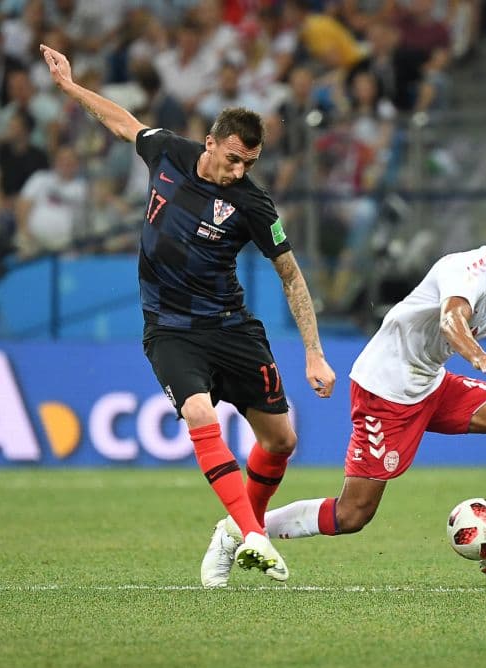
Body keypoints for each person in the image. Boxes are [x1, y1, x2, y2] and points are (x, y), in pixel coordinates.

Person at [201, 204, 486, 587]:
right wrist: (476, 355)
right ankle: (239, 531)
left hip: (430, 382)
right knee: (353, 514)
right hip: (384, 389)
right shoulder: (468, 268)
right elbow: (452, 318)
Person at [40, 44, 338, 586]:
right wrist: (70, 87)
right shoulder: (168, 153)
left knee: (281, 442)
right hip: (171, 330)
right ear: (211, 143)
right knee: (199, 412)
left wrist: (314, 354)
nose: (238, 170)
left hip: (230, 326)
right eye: (233, 158)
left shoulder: (253, 205)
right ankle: (253, 534)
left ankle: (231, 530)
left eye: (249, 163)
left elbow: (292, 276)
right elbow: (122, 121)